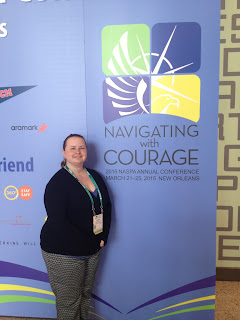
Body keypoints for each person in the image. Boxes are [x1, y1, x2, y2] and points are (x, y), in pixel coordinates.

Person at [40, 134, 111, 320]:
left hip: (93, 247)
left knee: (85, 295)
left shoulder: (95, 176)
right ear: (64, 152)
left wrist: (103, 236)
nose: (77, 152)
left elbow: (106, 207)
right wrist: (91, 241)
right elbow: (58, 222)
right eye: (72, 148)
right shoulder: (57, 183)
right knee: (69, 302)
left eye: (81, 147)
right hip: (63, 251)